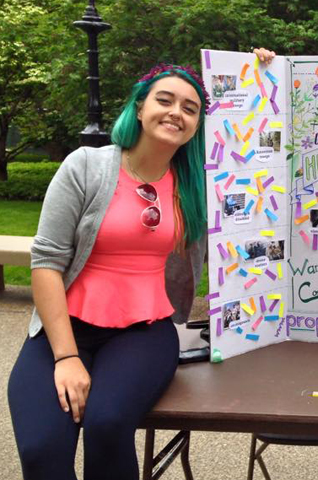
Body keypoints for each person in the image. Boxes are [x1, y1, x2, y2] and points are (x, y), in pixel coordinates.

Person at [7, 64, 208, 480]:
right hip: (64, 328)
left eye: (190, 108)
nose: (176, 113)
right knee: (42, 449)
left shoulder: (195, 184)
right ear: (139, 107)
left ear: (197, 125)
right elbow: (46, 261)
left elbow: (257, 139)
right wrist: (66, 357)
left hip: (143, 331)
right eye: (165, 100)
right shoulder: (86, 166)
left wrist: (261, 72)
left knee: (108, 423)